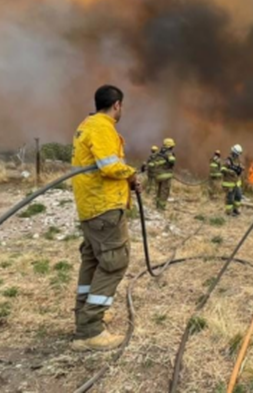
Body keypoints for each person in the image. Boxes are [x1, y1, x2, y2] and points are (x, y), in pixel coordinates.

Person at [70, 85, 137, 351]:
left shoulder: (86, 124)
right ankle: (90, 331)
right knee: (113, 263)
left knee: (93, 261)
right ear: (117, 105)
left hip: (90, 207)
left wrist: (127, 182)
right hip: (104, 208)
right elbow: (110, 167)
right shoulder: (102, 127)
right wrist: (130, 173)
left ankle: (84, 315)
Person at [149, 138, 176, 210]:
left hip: (157, 175)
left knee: (159, 191)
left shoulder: (159, 153)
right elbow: (172, 160)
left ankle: (157, 206)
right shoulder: (168, 153)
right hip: (166, 175)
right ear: (170, 146)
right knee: (164, 192)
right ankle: (161, 208)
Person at [221, 145, 244, 216]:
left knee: (238, 196)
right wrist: (230, 171)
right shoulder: (228, 160)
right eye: (237, 154)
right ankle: (229, 212)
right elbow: (222, 169)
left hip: (237, 183)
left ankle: (235, 209)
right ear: (234, 153)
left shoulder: (238, 160)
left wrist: (241, 168)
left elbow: (240, 167)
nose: (238, 156)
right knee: (230, 198)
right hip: (229, 183)